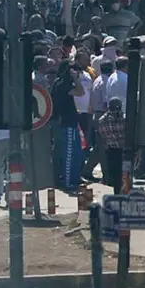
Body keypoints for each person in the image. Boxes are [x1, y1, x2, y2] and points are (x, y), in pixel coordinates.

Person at [50, 61, 86, 192]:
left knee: (76, 152)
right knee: (69, 153)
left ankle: (74, 178)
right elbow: (81, 92)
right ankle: (67, 181)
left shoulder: (58, 82)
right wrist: (76, 78)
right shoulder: (62, 84)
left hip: (70, 122)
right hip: (66, 122)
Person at [97, 97, 126, 194]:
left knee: (116, 175)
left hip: (111, 150)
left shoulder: (102, 120)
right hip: (123, 151)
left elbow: (102, 136)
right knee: (125, 175)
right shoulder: (124, 119)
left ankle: (117, 193)